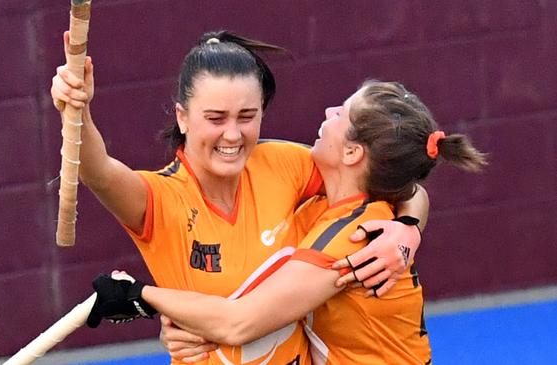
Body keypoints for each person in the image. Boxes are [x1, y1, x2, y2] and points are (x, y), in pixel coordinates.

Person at [51, 29, 430, 364]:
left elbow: (386, 178)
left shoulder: (286, 164)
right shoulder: (160, 198)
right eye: (216, 118)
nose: (232, 135)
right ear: (183, 117)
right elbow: (98, 170)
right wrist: (77, 111)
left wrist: (406, 228)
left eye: (246, 116)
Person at [87, 80, 488, 364]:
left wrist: (141, 296)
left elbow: (239, 322)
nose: (328, 112)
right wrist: (182, 324)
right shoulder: (322, 210)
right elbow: (250, 296)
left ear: (351, 152)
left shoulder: (353, 237)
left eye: (341, 112)